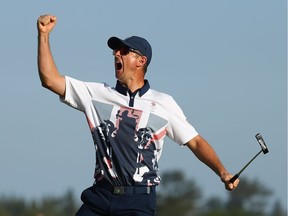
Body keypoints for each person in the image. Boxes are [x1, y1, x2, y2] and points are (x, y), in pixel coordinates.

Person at [37, 14, 239, 216]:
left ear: (141, 61)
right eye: (116, 50)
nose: (116, 54)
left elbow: (195, 142)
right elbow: (49, 79)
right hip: (100, 196)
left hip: (138, 200)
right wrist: (43, 35)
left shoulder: (164, 103)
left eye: (124, 51)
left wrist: (223, 172)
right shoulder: (95, 94)